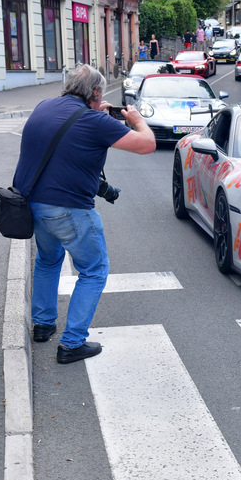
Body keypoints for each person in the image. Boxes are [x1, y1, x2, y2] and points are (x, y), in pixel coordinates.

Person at [12, 64, 156, 364]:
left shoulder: (44, 106)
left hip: (32, 205)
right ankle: (72, 342)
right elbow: (147, 145)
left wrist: (95, 114)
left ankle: (43, 324)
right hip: (69, 208)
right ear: (96, 92)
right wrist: (137, 120)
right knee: (94, 270)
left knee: (48, 259)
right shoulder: (94, 121)